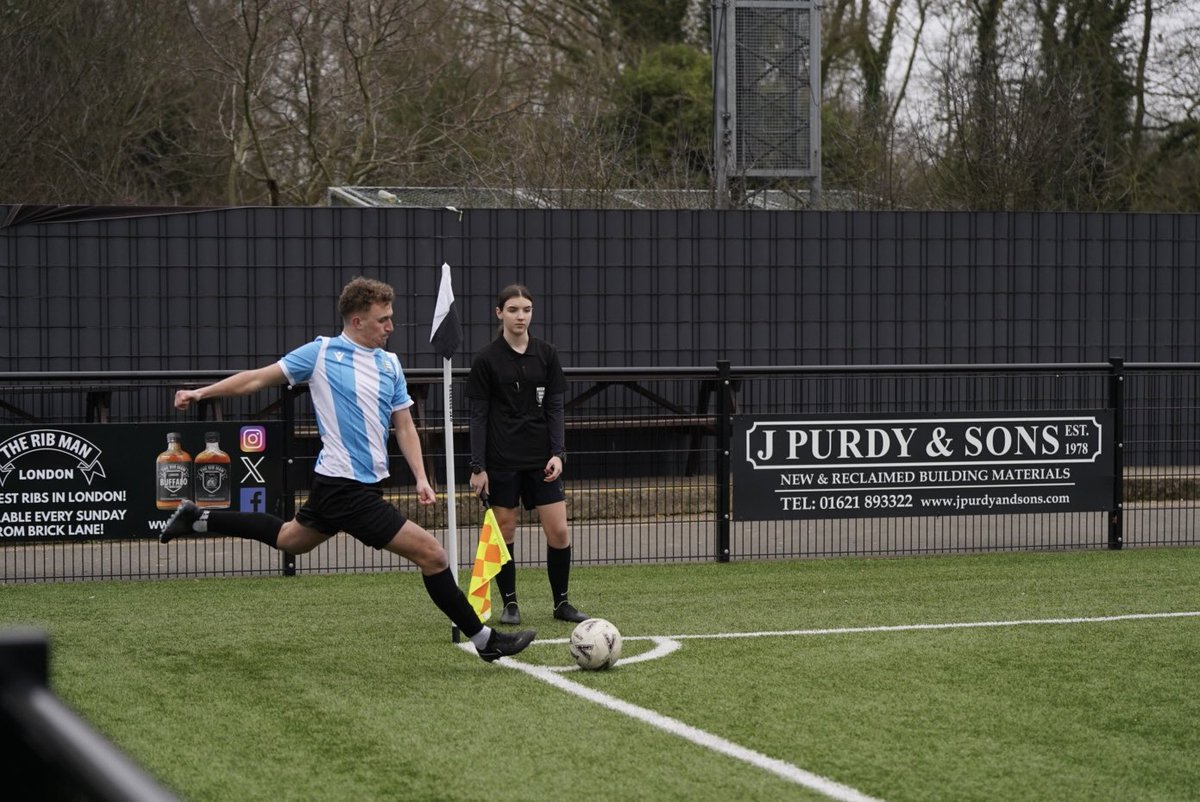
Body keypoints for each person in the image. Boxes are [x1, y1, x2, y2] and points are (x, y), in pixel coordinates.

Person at [160, 276, 535, 663]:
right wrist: (201, 393)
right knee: (434, 555)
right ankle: (485, 639)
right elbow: (256, 378)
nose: (391, 327)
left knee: (290, 539)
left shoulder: (389, 363)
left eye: (391, 318)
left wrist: (422, 477)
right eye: (382, 319)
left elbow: (404, 424)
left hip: (349, 487)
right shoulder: (321, 353)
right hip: (345, 487)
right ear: (357, 321)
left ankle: (198, 518)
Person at [466, 284, 590, 625]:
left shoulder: (546, 354)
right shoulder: (486, 360)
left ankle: (562, 604)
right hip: (501, 461)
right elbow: (477, 417)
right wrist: (478, 467)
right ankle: (510, 605)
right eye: (513, 310)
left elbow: (555, 408)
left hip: (541, 461)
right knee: (505, 533)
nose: (521, 316)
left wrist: (558, 454)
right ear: (499, 313)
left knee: (560, 532)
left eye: (526, 310)